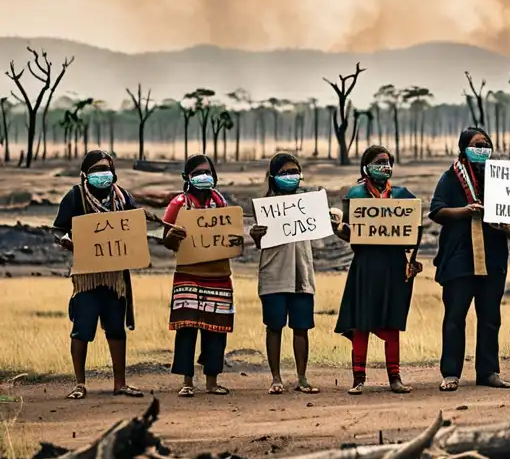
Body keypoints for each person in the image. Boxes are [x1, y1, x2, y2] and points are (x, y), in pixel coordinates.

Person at [430, 127, 510, 392]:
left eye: (485, 144)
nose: (481, 149)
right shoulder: (450, 177)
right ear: (463, 148)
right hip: (459, 257)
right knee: (454, 316)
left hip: (493, 259)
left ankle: (489, 372)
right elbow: (436, 211)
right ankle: (450, 373)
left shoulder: (503, 179)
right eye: (475, 145)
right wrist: (465, 211)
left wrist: (508, 228)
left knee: (491, 317)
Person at [52, 150, 145, 400]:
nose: (102, 175)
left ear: (114, 172)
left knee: (116, 328)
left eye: (106, 169)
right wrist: (66, 241)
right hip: (87, 277)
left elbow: (135, 225)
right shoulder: (75, 197)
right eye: (95, 171)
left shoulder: (123, 197)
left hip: (115, 277)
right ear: (85, 174)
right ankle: (79, 384)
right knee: (82, 329)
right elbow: (58, 228)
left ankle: (120, 383)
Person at [334, 145, 421, 395]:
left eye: (388, 162)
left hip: (394, 265)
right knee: (361, 321)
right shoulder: (356, 194)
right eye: (379, 162)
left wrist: (412, 259)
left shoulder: (403, 195)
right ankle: (358, 378)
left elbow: (414, 229)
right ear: (366, 167)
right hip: (366, 263)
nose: (384, 167)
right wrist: (340, 229)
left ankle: (395, 377)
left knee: (392, 320)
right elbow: (351, 232)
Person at [163, 154, 238, 397]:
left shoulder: (222, 205)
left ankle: (212, 381)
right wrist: (172, 238)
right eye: (197, 173)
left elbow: (232, 236)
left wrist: (235, 240)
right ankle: (187, 382)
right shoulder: (178, 204)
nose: (203, 177)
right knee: (187, 328)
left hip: (219, 274)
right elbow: (167, 241)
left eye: (207, 172)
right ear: (187, 177)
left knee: (216, 330)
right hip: (188, 274)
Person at [249, 153, 319, 395]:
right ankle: (276, 378)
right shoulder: (265, 207)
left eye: (295, 172)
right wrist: (256, 235)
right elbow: (260, 242)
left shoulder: (308, 205)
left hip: (302, 275)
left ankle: (302, 377)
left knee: (301, 328)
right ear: (273, 177)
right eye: (285, 173)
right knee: (274, 326)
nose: (291, 177)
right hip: (274, 275)